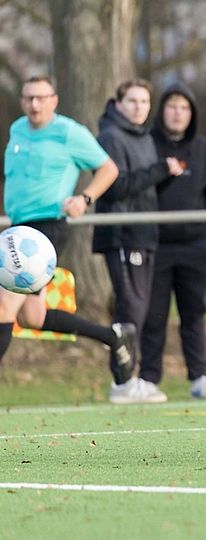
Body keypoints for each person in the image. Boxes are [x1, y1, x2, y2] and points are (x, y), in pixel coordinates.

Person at [1, 75, 137, 384]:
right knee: (31, 316)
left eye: (40, 97)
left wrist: (85, 198)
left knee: (3, 304)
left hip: (46, 226)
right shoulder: (18, 129)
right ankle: (114, 337)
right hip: (18, 228)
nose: (34, 104)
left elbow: (109, 169)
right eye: (28, 98)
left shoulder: (69, 132)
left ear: (54, 100)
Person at [95, 78, 185, 403]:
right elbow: (117, 187)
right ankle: (121, 382)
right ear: (119, 104)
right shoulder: (111, 137)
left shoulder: (145, 137)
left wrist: (164, 175)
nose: (139, 108)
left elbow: (143, 186)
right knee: (130, 307)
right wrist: (161, 170)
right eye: (132, 101)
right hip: (122, 234)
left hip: (146, 234)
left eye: (145, 102)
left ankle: (130, 380)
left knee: (140, 309)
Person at [140, 82, 206, 400]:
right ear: (162, 110)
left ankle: (201, 378)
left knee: (193, 314)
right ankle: (148, 379)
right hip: (157, 245)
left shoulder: (202, 148)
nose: (178, 113)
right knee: (154, 315)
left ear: (191, 113)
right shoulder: (147, 145)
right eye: (172, 106)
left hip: (195, 247)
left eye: (184, 107)